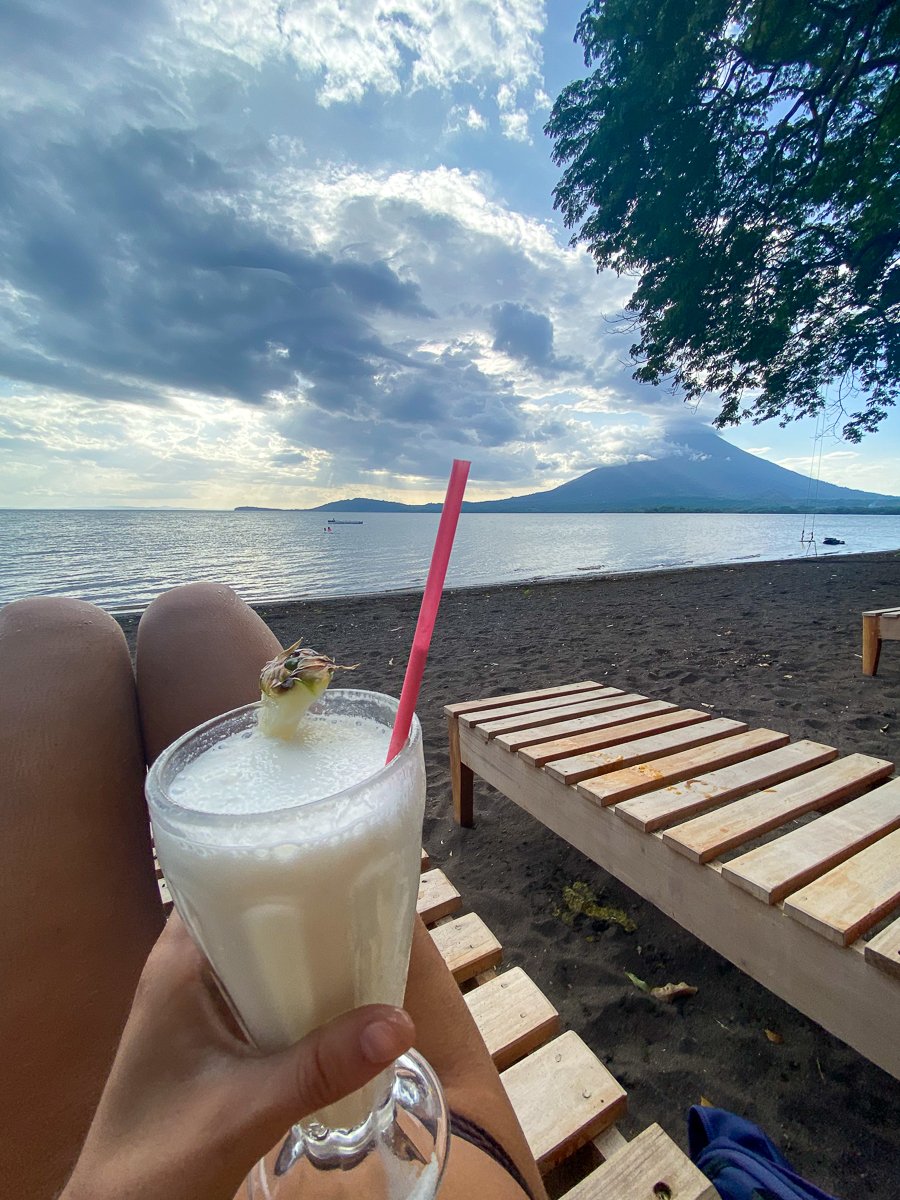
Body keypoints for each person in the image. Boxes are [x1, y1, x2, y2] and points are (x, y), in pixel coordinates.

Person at [0, 584, 546, 1200]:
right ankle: (338, 1109)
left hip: (407, 1118)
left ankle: (346, 1125)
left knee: (44, 639)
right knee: (191, 618)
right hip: (478, 1153)